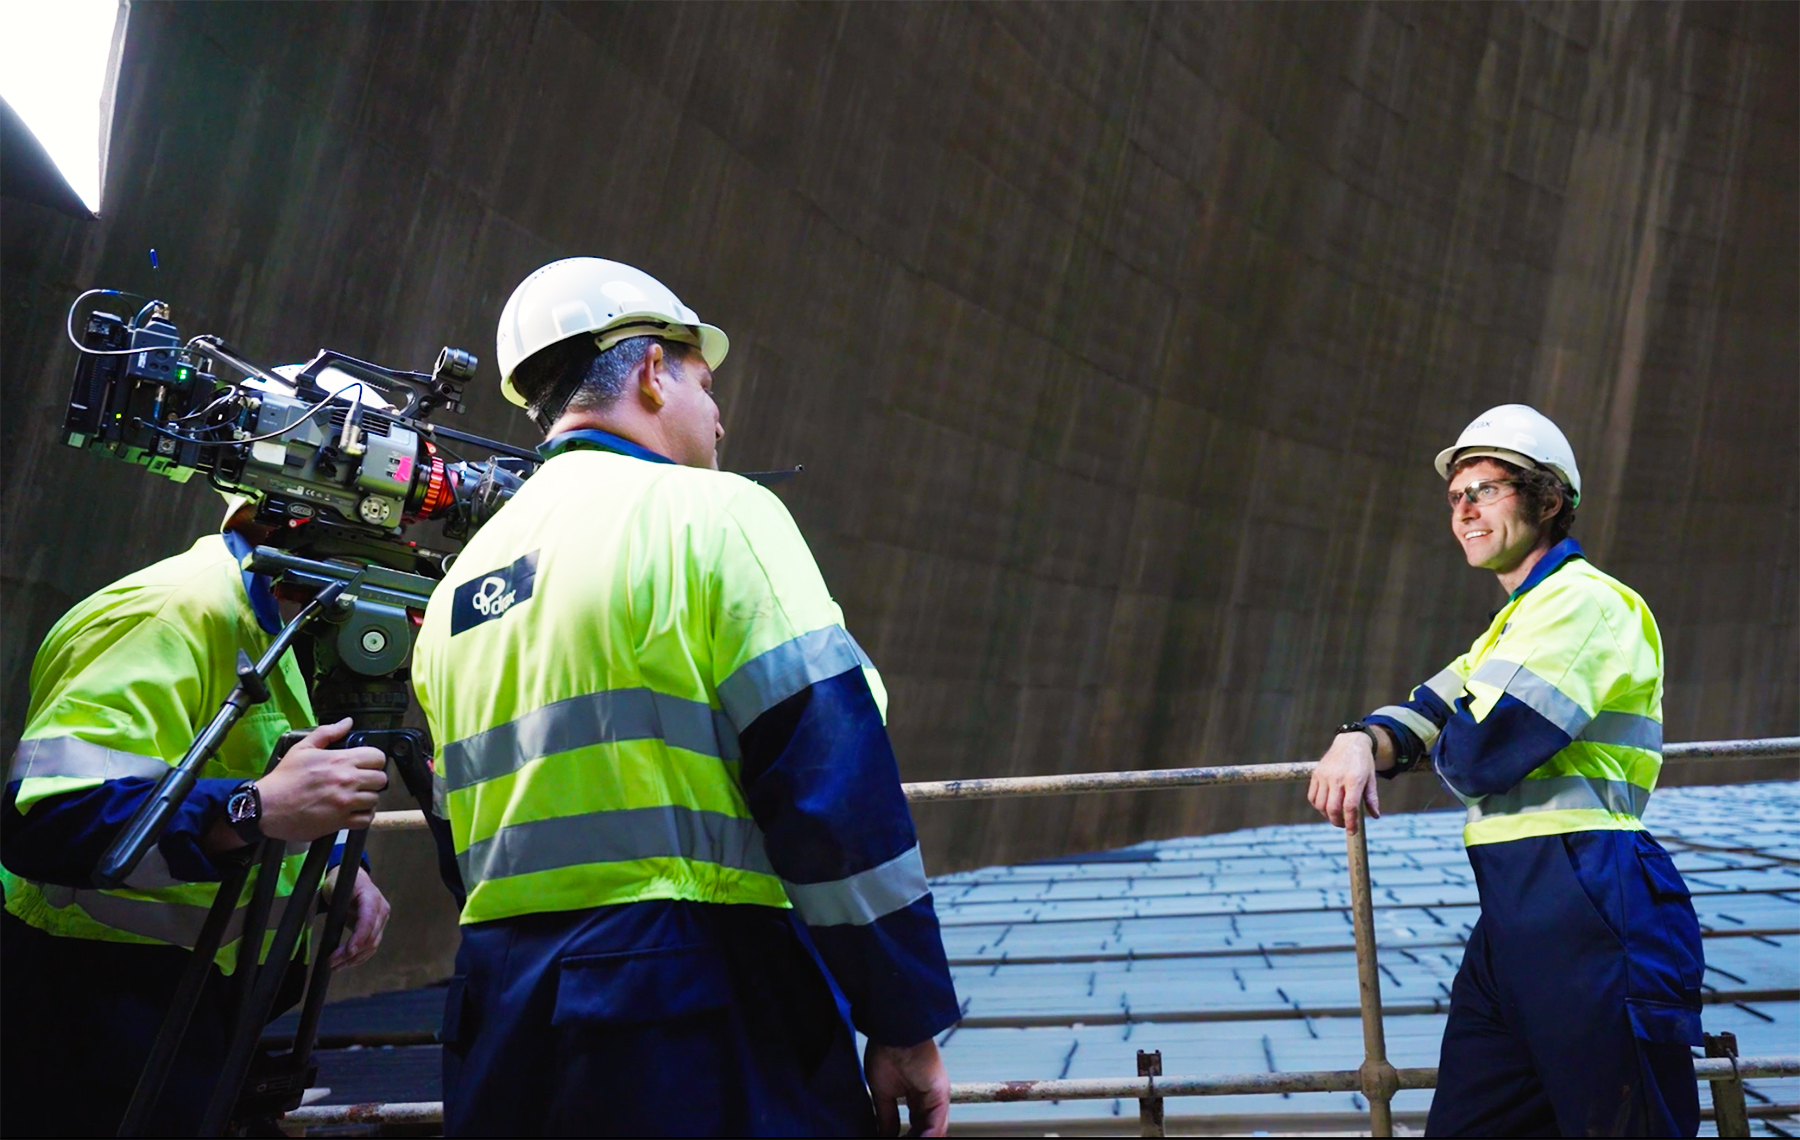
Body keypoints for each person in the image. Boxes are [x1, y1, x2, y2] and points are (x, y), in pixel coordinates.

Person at [412, 257, 961, 1137]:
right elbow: (831, 784)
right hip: (693, 1015)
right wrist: (901, 1018)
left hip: (505, 1028)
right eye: (706, 383)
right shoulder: (715, 516)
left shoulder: (457, 592)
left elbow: (458, 842)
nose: (720, 416)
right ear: (651, 373)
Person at [1307, 405, 1703, 1136]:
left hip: (1594, 898)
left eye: (1485, 490)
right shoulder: (1510, 627)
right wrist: (1358, 738)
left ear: (1548, 501)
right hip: (1514, 917)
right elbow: (1422, 715)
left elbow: (1480, 753)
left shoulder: (1584, 603)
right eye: (1456, 496)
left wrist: (1430, 730)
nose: (1464, 511)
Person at [1, 491, 394, 1136]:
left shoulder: (271, 617)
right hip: (85, 1010)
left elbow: (271, 777)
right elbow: (50, 821)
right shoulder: (166, 616)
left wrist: (334, 870)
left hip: (189, 1007)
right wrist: (254, 808)